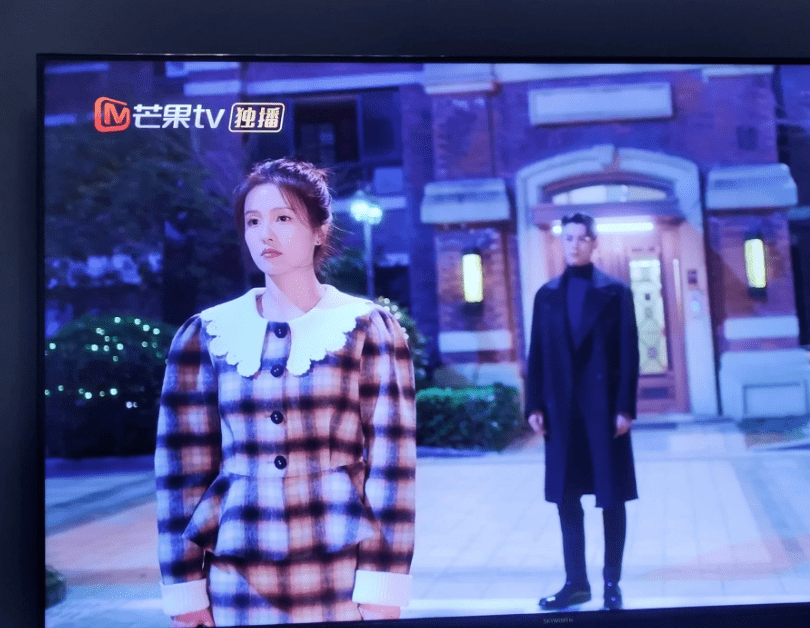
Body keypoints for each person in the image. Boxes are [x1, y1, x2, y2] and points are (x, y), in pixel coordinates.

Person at [154, 158, 417, 626]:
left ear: (319, 230)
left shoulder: (366, 326)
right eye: (253, 221)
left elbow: (392, 468)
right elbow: (181, 473)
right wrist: (185, 588)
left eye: (283, 218)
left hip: (340, 570)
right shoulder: (207, 333)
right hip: (235, 577)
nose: (265, 235)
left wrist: (383, 583)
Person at [526, 213, 639, 611]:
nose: (574, 245)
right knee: (566, 498)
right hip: (562, 413)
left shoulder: (616, 292)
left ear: (593, 243)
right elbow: (537, 354)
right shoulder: (546, 295)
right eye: (568, 238)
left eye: (581, 238)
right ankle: (576, 583)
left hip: (604, 411)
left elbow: (629, 353)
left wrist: (625, 408)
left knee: (611, 497)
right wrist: (533, 404)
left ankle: (611, 584)